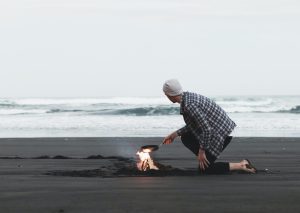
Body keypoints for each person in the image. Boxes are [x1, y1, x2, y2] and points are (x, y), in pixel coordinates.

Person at [162, 79, 257, 174]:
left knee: (205, 170)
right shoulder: (188, 97)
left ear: (170, 95)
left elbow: (207, 129)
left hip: (222, 132)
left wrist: (202, 151)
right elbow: (194, 124)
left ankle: (241, 165)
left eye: (166, 94)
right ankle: (206, 158)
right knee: (186, 137)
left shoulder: (189, 105)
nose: (166, 96)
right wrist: (174, 134)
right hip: (219, 128)